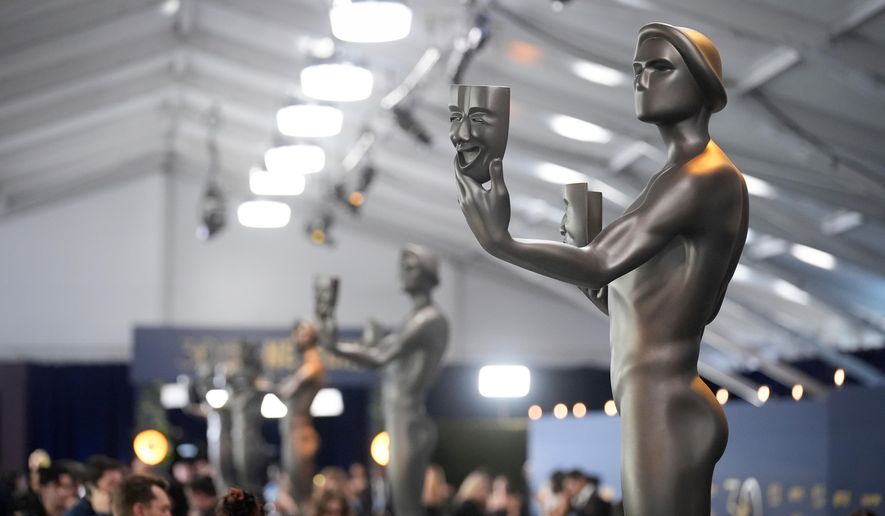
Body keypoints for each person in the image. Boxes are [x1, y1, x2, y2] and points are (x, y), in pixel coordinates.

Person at [453, 22, 745, 516]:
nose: (642, 79)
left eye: (659, 67)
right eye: (637, 68)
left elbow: (601, 261)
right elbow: (635, 299)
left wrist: (502, 241)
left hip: (664, 404)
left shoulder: (705, 178)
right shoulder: (670, 180)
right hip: (652, 402)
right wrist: (595, 281)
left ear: (702, 85)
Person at [315, 244, 450, 516]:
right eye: (403, 266)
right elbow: (382, 357)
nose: (402, 273)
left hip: (409, 420)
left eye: (410, 267)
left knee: (407, 508)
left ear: (427, 275)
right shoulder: (413, 320)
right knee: (402, 506)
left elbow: (379, 355)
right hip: (401, 418)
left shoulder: (428, 319)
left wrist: (336, 346)